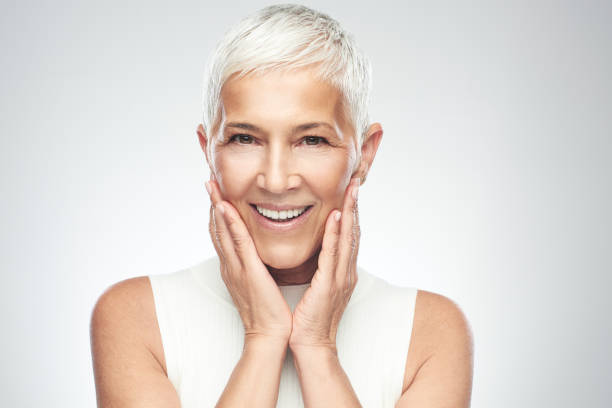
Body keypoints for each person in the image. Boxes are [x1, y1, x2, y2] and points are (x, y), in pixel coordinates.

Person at [90, 3, 473, 407]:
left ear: (365, 155)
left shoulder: (431, 332)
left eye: (312, 140)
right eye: (244, 139)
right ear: (209, 151)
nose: (276, 180)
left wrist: (317, 348)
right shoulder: (137, 318)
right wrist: (263, 338)